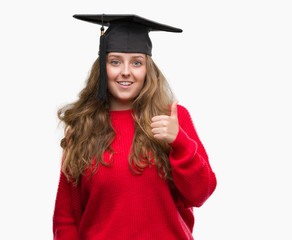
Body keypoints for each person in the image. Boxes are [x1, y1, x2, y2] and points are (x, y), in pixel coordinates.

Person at [52, 14, 217, 240]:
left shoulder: (173, 119)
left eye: (137, 62)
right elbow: (66, 217)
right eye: (115, 61)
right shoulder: (83, 127)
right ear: (102, 68)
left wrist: (179, 141)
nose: (126, 71)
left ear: (148, 69)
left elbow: (200, 194)